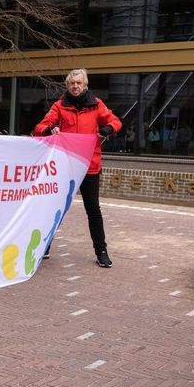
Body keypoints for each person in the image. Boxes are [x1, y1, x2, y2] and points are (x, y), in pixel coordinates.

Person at [34, 68, 121, 268]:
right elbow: (39, 127)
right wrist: (49, 129)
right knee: (54, 207)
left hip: (90, 166)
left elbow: (115, 122)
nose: (75, 86)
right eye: (72, 83)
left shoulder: (97, 105)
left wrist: (107, 129)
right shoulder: (59, 106)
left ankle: (101, 251)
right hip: (65, 166)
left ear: (85, 85)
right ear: (67, 85)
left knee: (93, 210)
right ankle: (45, 245)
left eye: (79, 83)